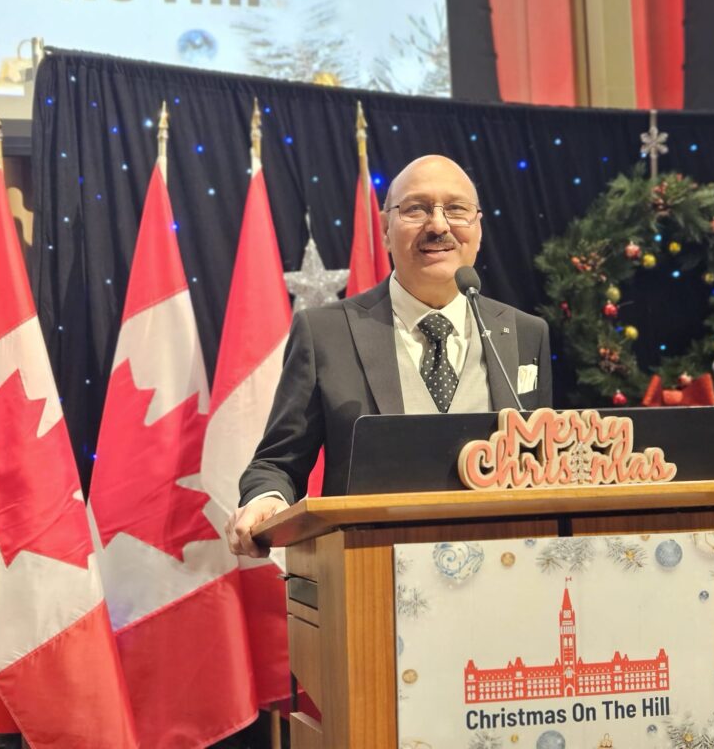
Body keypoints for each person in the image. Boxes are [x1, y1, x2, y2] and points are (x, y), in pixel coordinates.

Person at [225, 154, 552, 557]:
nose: (438, 225)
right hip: (369, 571)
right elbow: (277, 463)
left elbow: (540, 464)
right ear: (384, 229)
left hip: (504, 569)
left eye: (456, 209)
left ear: (478, 228)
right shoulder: (325, 333)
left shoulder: (526, 334)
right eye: (416, 209)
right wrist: (266, 499)